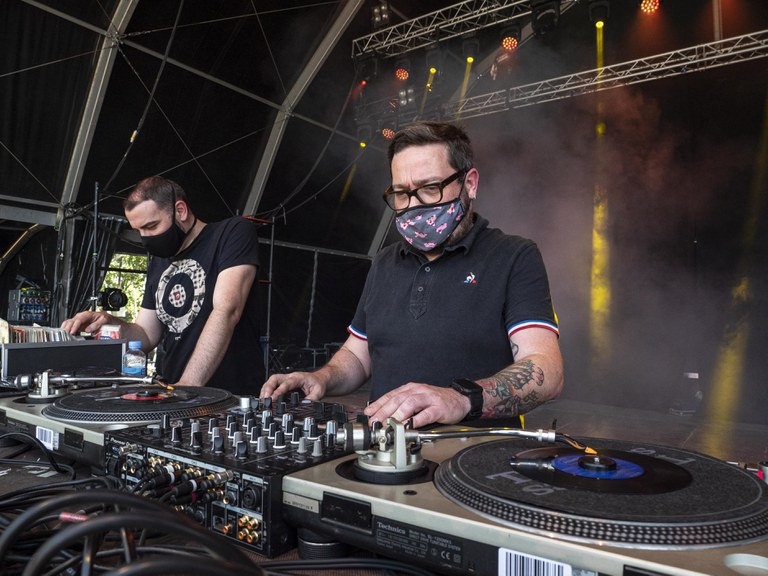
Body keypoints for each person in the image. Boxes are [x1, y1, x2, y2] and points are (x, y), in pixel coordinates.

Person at [261, 121, 563, 428]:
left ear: (470, 184)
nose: (414, 205)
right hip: (384, 448)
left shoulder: (514, 256)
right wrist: (321, 378)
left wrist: (460, 399)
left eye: (430, 188)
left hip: (475, 455)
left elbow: (546, 371)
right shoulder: (384, 262)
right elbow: (357, 356)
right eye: (402, 193)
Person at [61, 176, 264, 395]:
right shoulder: (159, 261)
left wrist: (188, 385)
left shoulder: (232, 233)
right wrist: (109, 323)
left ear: (180, 211)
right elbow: (146, 335)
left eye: (151, 226)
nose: (145, 238)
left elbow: (227, 310)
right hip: (174, 391)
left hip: (231, 395)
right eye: (139, 230)